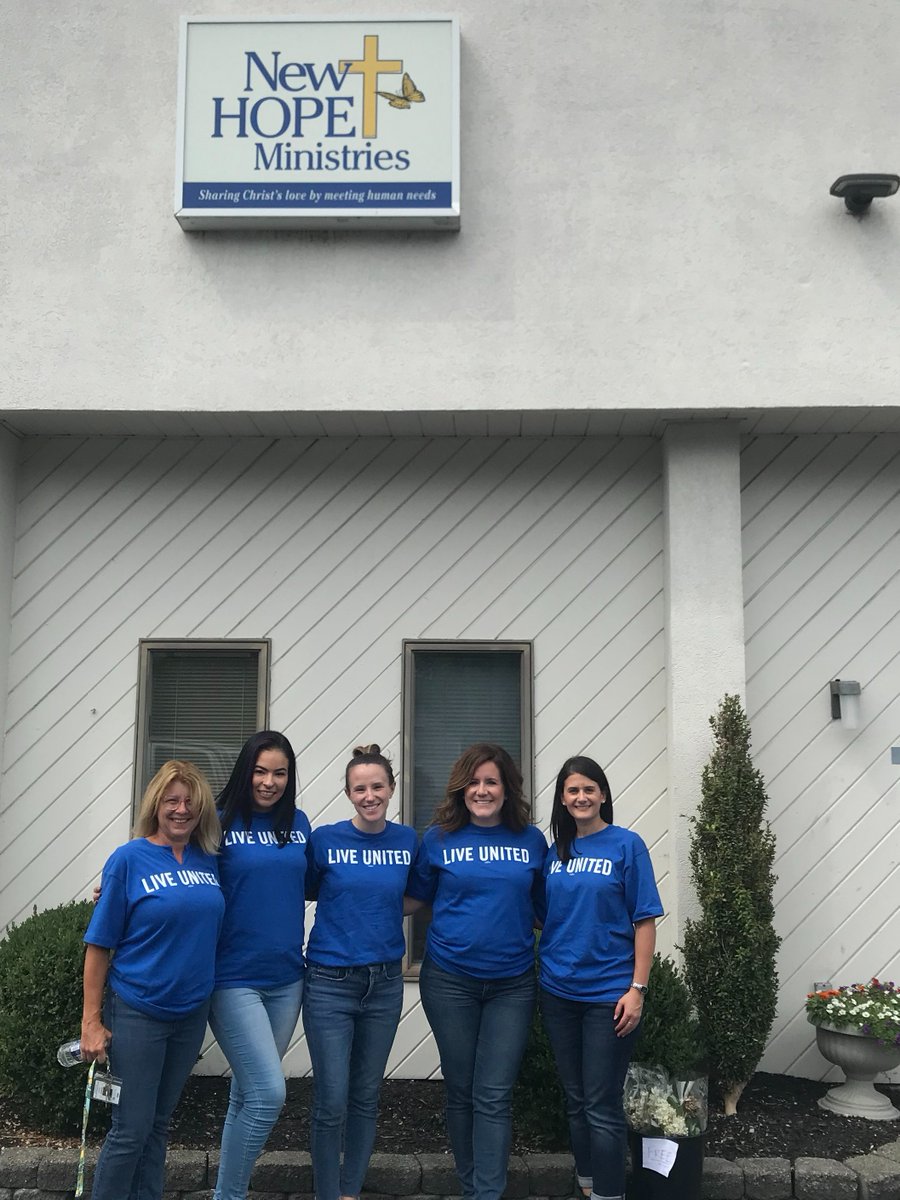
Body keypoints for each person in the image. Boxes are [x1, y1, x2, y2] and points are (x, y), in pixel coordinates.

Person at [406, 743, 547, 1200]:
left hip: (513, 984)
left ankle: (486, 1194)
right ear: (461, 788)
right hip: (450, 981)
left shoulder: (531, 840)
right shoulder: (438, 838)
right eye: (474, 782)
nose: (482, 790)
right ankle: (472, 1187)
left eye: (492, 781)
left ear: (507, 789)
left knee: (494, 1093)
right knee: (462, 1090)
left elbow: (547, 909)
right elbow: (415, 898)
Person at [80, 760, 225, 1200]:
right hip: (138, 1012)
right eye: (172, 800)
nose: (181, 810)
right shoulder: (128, 859)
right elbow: (99, 945)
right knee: (131, 1129)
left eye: (190, 802)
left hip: (190, 1014)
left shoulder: (210, 859)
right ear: (156, 805)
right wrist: (91, 1021)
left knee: (158, 1127)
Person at [538, 756, 663, 1200]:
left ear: (603, 794)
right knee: (576, 1101)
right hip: (557, 992)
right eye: (572, 790)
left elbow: (644, 920)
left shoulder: (627, 846)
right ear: (562, 799)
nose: (581, 797)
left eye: (589, 788)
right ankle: (589, 1186)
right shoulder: (555, 853)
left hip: (608, 995)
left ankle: (611, 1195)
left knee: (601, 1105)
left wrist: (637, 989)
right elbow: (544, 916)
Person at [302, 744, 419, 1200]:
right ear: (349, 793)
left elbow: (419, 895)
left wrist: (382, 910)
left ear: (390, 789)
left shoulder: (408, 841)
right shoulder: (325, 840)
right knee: (331, 1099)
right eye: (359, 788)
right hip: (330, 982)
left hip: (386, 982)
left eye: (377, 786)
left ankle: (350, 1192)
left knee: (366, 1097)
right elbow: (307, 888)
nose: (369, 795)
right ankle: (327, 1193)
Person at [208, 730, 312, 1200]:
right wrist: (116, 885)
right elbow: (168, 858)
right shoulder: (218, 821)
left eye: (280, 773)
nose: (269, 782)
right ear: (245, 771)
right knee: (269, 1094)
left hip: (288, 977)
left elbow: (314, 882)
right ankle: (228, 1197)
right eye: (261, 771)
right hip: (233, 980)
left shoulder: (299, 823)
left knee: (245, 1096)